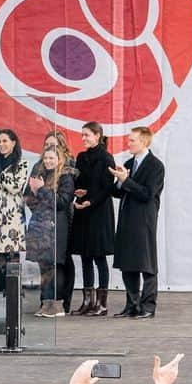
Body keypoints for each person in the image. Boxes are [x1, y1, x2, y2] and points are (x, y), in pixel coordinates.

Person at [110, 127, 165, 319]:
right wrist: (119, 180)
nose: (129, 143)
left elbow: (147, 194)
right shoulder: (128, 163)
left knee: (146, 263)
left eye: (132, 140)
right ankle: (132, 304)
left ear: (144, 142)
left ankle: (148, 306)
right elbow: (118, 192)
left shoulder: (155, 166)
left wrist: (126, 180)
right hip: (127, 219)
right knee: (128, 262)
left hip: (144, 220)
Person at [68, 122, 115, 317]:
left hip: (99, 212)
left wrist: (90, 200)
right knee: (85, 256)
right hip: (83, 209)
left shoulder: (106, 158)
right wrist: (78, 193)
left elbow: (107, 188)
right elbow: (79, 183)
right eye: (83, 135)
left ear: (98, 135)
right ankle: (88, 301)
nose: (84, 138)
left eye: (87, 135)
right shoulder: (81, 157)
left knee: (99, 256)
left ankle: (102, 304)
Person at [25, 147, 75, 318]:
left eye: (51, 158)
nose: (48, 161)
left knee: (56, 266)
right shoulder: (41, 175)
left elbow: (61, 202)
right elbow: (29, 199)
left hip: (56, 227)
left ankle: (57, 304)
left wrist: (42, 190)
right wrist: (36, 198)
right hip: (40, 227)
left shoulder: (66, 177)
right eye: (45, 158)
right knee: (43, 266)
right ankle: (45, 303)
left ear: (59, 159)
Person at [0, 129, 28, 287]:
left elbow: (15, 187)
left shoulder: (21, 163)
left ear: (13, 142)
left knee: (12, 256)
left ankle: (14, 294)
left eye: (5, 141)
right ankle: (2, 293)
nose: (1, 144)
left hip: (12, 216)